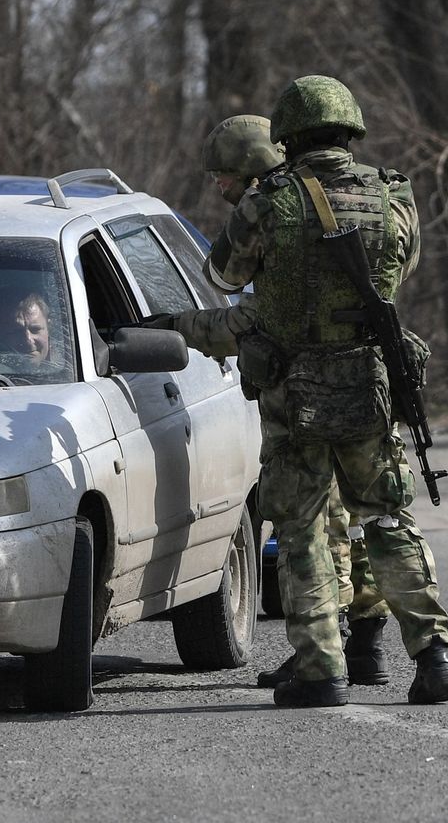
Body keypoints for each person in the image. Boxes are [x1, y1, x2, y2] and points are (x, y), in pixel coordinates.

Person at [201, 76, 448, 708]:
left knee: (302, 527)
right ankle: (433, 655)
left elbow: (222, 274)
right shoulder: (393, 196)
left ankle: (321, 668)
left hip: (294, 390)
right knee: (387, 517)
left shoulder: (269, 203)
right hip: (368, 381)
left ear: (286, 137)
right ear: (350, 130)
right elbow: (404, 264)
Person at [149, 115, 393, 691]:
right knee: (356, 520)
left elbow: (247, 318)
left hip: (305, 394)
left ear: (253, 169)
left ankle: (323, 655)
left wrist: (177, 325)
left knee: (316, 528)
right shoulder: (334, 200)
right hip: (356, 383)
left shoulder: (274, 214)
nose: (218, 188)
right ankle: (363, 646)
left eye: (224, 177)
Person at [0, 288, 54, 364]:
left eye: (35, 329)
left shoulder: (68, 369)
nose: (28, 340)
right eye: (15, 331)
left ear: (49, 329)